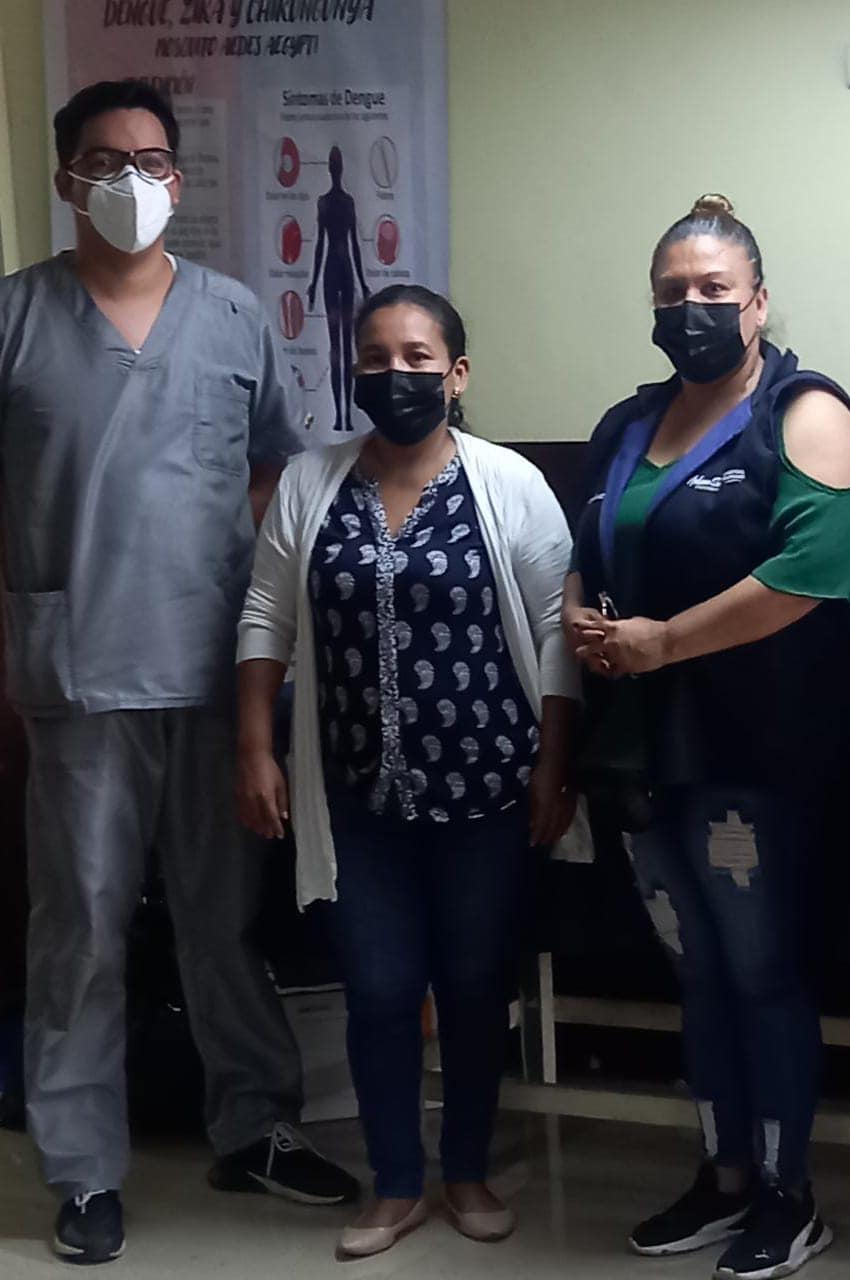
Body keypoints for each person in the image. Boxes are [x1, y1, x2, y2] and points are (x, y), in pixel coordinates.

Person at [0, 80, 359, 1266]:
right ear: (67, 179)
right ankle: (83, 1167)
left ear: (179, 175)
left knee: (224, 920)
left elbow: (269, 473)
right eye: (107, 161)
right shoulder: (16, 317)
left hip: (214, 672)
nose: (133, 180)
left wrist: (256, 627)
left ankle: (254, 1125)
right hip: (78, 672)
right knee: (81, 928)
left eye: (152, 159)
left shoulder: (232, 314)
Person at [565, 195, 850, 1280]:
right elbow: (588, 543)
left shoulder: (803, 410)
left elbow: (814, 571)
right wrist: (581, 613)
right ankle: (723, 1174)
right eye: (672, 292)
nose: (690, 308)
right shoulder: (629, 420)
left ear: (756, 301)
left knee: (760, 971)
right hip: (641, 753)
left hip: (756, 752)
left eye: (713, 290)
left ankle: (790, 1196)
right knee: (693, 972)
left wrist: (662, 641)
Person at [236, 283, 580, 1258]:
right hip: (356, 798)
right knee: (380, 989)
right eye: (376, 358)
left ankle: (464, 1169)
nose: (396, 374)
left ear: (456, 373)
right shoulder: (311, 482)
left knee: (471, 984)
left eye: (418, 357)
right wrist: (253, 744)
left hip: (488, 792)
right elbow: (265, 615)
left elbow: (557, 629)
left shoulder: (509, 483)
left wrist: (555, 765)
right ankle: (395, 1183)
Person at [307, 144, 369, 432]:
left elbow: (353, 244)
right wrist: (312, 282)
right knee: (337, 347)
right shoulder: (329, 202)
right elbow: (321, 244)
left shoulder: (343, 202)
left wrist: (363, 283)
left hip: (338, 272)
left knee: (344, 346)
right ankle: (340, 416)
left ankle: (345, 416)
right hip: (336, 272)